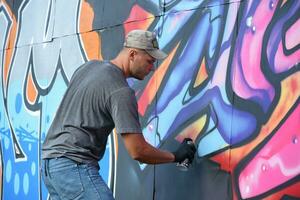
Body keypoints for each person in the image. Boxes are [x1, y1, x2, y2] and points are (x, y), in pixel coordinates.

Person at [41, 29, 196, 200]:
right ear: (132, 54)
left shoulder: (88, 67)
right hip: (73, 165)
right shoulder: (120, 91)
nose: (152, 68)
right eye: (149, 61)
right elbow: (138, 151)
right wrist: (175, 156)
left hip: (50, 165)